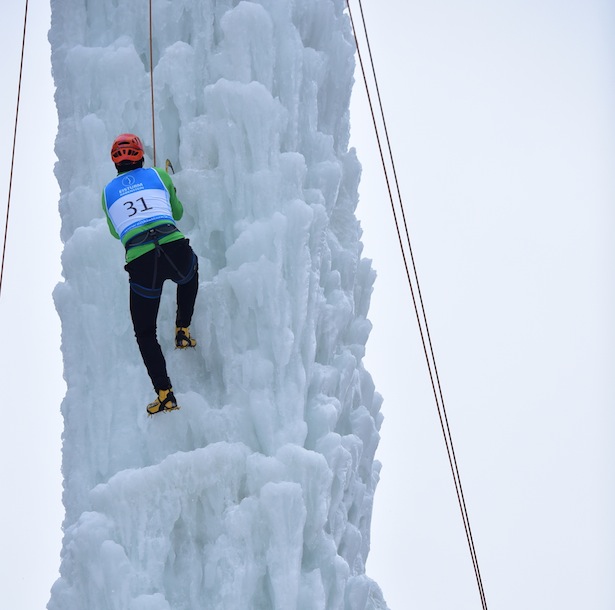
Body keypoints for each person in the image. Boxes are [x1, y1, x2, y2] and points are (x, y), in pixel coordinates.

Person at [102, 133, 199, 415]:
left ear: (116, 163)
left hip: (142, 262)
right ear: (141, 156)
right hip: (173, 246)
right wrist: (168, 187)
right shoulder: (158, 175)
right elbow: (177, 212)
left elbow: (114, 230)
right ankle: (182, 329)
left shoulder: (107, 191)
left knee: (145, 333)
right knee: (189, 274)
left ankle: (165, 393)